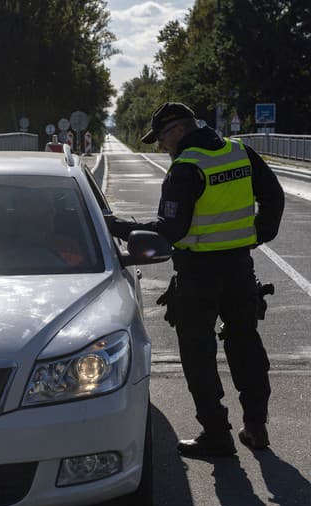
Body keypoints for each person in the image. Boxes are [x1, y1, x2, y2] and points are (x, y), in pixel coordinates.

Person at [107, 102, 284, 458]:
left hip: (199, 274)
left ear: (177, 131)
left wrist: (118, 227)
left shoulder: (186, 168)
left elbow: (171, 230)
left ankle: (216, 433)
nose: (159, 146)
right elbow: (274, 197)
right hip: (239, 268)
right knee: (245, 343)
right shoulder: (239, 152)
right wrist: (256, 235)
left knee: (198, 352)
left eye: (160, 138)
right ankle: (256, 426)